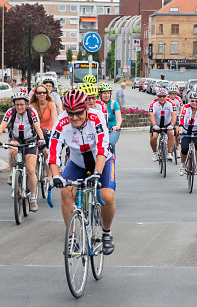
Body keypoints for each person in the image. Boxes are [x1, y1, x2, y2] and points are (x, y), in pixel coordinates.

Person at [48, 89, 116, 255]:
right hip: (77, 162)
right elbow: (53, 151)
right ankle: (71, 239)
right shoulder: (61, 122)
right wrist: (56, 175)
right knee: (65, 192)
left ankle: (106, 233)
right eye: (70, 113)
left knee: (106, 197)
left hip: (102, 161)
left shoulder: (97, 117)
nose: (74, 117)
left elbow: (102, 148)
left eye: (78, 113)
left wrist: (97, 174)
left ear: (86, 109)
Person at [0, 92, 46, 212]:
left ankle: (33, 199)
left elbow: (37, 126)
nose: (19, 107)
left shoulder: (31, 112)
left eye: (22, 104)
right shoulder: (10, 112)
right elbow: (2, 125)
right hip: (16, 139)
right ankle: (13, 172)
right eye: (17, 104)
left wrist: (41, 139)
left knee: (31, 170)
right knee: (12, 149)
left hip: (30, 140)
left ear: (26, 104)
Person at [30, 83, 57, 185]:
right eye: (39, 93)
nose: (41, 94)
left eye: (44, 92)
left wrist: (51, 130)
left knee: (47, 153)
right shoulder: (32, 106)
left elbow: (54, 119)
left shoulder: (51, 104)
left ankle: (50, 176)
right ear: (35, 94)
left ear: (47, 94)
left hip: (48, 130)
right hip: (36, 131)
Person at [178, 91, 197, 175]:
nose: (194, 103)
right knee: (184, 148)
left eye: (196, 101)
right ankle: (182, 166)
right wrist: (180, 133)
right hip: (185, 130)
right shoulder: (185, 108)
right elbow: (181, 121)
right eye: (192, 101)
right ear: (189, 100)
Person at [149, 87, 177, 162]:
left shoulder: (171, 103)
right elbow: (151, 115)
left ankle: (169, 153)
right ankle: (155, 152)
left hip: (167, 124)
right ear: (157, 96)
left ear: (167, 96)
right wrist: (154, 125)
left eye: (164, 96)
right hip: (156, 123)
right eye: (159, 96)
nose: (162, 98)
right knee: (154, 137)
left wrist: (172, 124)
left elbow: (174, 114)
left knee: (171, 133)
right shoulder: (153, 103)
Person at [98, 82, 122, 154]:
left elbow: (119, 118)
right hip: (101, 130)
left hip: (112, 130)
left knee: (110, 143)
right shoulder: (98, 104)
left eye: (108, 93)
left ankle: (112, 161)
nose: (106, 95)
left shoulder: (114, 104)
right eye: (104, 93)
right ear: (100, 94)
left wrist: (117, 126)